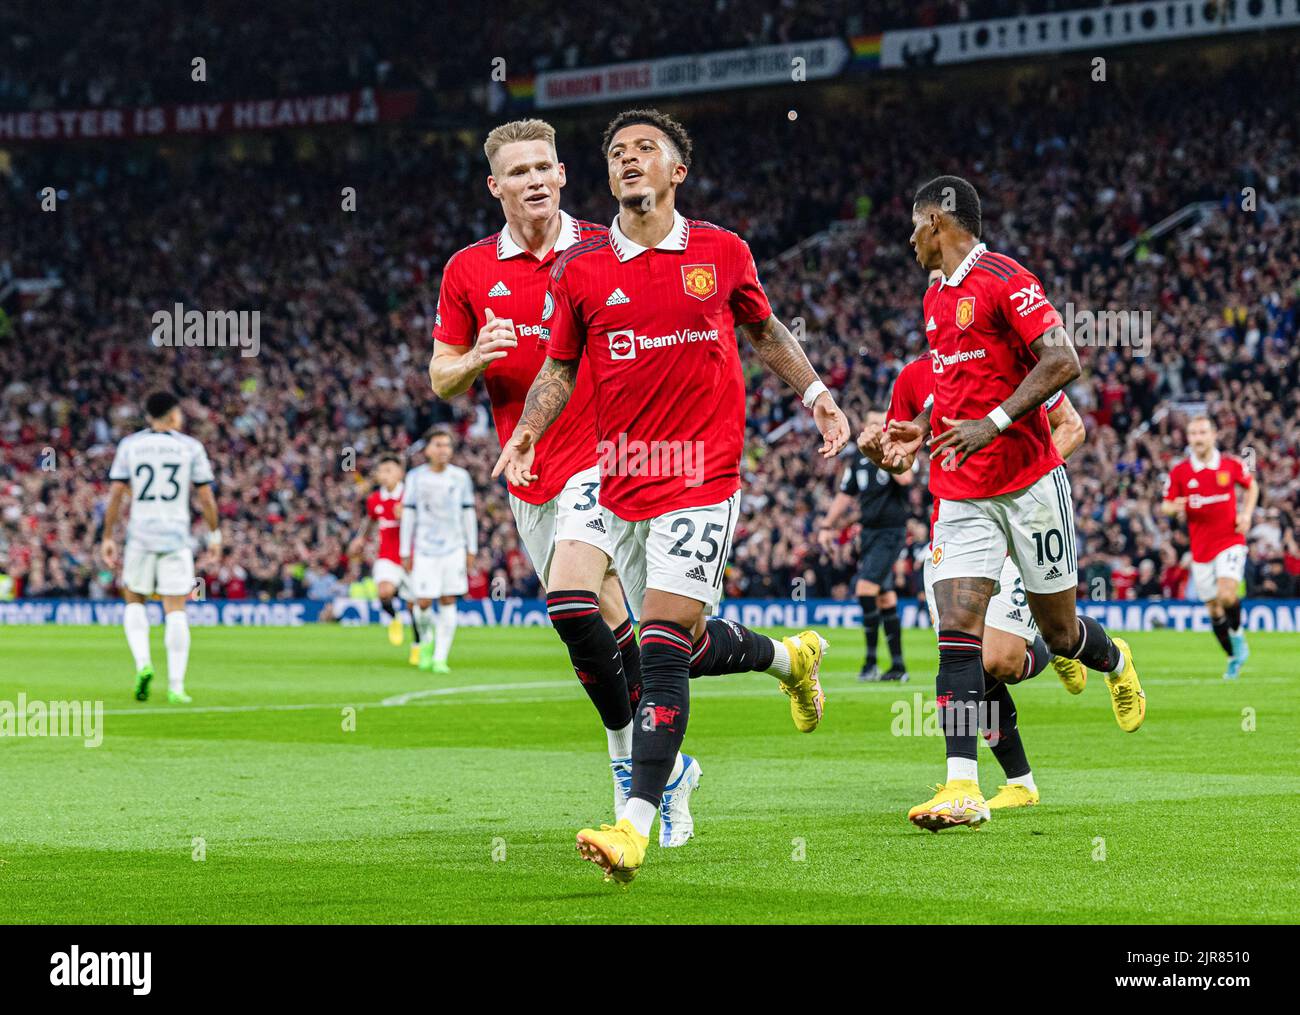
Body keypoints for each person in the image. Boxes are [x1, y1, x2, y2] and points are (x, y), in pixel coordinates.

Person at [494, 108, 851, 882]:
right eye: (617, 152)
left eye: (644, 149)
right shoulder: (582, 268)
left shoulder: (721, 252)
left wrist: (817, 392)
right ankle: (785, 658)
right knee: (591, 613)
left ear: (676, 171)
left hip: (698, 477)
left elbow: (766, 332)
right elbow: (558, 369)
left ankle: (635, 821)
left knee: (661, 649)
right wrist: (525, 432)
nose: (627, 160)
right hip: (609, 469)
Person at [881, 175, 1145, 832]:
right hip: (963, 489)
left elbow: (1063, 360)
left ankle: (1113, 658)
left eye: (914, 224)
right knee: (958, 637)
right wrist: (925, 424)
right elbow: (958, 383)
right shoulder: (935, 297)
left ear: (938, 222)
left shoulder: (1005, 277)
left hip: (1029, 483)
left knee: (1060, 633)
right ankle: (962, 783)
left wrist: (994, 422)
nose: (908, 238)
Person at [865, 349, 1094, 811]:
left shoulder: (1005, 362)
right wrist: (883, 458)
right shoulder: (912, 378)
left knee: (1004, 661)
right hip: (956, 534)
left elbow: (1072, 427)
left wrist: (1022, 475)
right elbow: (901, 464)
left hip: (1016, 522)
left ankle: (1057, 644)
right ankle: (1014, 784)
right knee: (971, 664)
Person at [101, 392, 220, 704]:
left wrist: (108, 537)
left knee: (134, 600)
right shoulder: (190, 447)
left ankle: (143, 664)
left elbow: (116, 495)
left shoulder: (130, 446)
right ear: (171, 416)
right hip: (176, 536)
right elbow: (206, 497)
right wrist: (215, 535)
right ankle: (177, 687)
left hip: (140, 535)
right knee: (176, 609)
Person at [817, 408, 912, 682]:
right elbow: (845, 496)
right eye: (871, 424)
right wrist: (826, 525)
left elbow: (905, 478)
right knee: (884, 597)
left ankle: (870, 663)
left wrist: (885, 454)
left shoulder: (897, 452)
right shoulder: (857, 464)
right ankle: (898, 666)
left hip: (891, 533)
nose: (875, 429)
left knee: (864, 589)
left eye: (880, 425)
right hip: (868, 534)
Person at [1160, 415, 1257, 678]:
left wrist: (1246, 515)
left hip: (1230, 541)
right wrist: (1172, 508)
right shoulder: (1180, 472)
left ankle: (1238, 638)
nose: (1198, 438)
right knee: (1214, 609)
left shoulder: (1230, 465)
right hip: (1201, 550)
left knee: (1227, 595)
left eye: (1203, 432)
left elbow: (1252, 486)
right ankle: (1233, 657)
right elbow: (1166, 504)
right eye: (1193, 434)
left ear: (1214, 435)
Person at [400, 431, 476, 673]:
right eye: (438, 444)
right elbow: (409, 514)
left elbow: (468, 512)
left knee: (448, 599)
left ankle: (441, 657)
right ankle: (425, 640)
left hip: (454, 548)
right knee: (422, 603)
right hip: (424, 549)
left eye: (447, 445)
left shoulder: (461, 477)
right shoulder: (415, 477)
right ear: (428, 450)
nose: (444, 449)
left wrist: (471, 548)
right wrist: (405, 550)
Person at [349, 455, 421, 663]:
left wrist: (407, 516)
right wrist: (360, 539)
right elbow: (370, 521)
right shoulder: (374, 499)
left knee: (413, 605)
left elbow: (425, 523)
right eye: (382, 471)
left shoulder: (410, 496)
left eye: (390, 470)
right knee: (384, 591)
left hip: (411, 557)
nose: (386, 474)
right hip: (387, 555)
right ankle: (394, 619)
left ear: (400, 473)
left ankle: (416, 646)